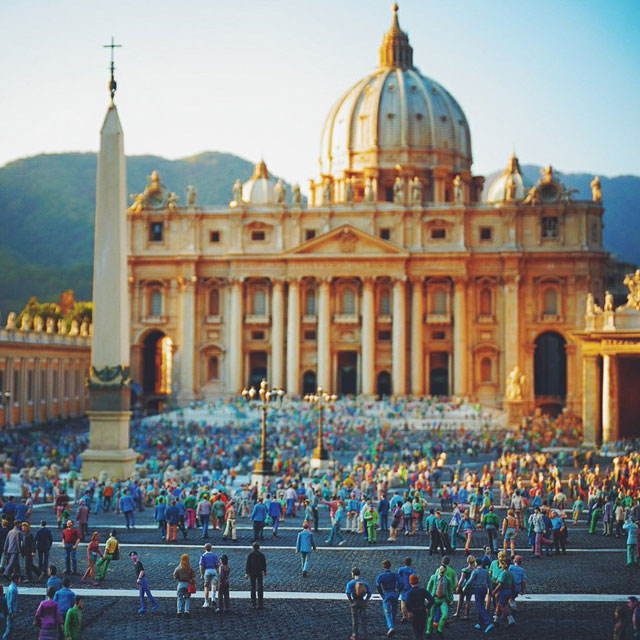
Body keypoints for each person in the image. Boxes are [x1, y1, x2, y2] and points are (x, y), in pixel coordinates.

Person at [462, 557, 494, 633]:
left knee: (480, 605)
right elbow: (489, 582)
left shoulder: (475, 571)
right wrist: (491, 590)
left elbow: (470, 580)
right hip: (484, 589)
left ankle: (488, 622)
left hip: (478, 589)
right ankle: (480, 622)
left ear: (476, 563)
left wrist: (465, 586)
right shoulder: (486, 572)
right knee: (481, 604)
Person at [404, 574, 434, 640]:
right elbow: (431, 599)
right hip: (422, 611)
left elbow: (407, 602)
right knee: (421, 629)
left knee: (416, 630)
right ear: (418, 581)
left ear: (410, 582)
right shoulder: (423, 591)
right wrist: (427, 607)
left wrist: (409, 611)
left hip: (414, 612)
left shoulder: (409, 592)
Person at [375, 559, 401, 637]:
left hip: (386, 593)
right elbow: (401, 582)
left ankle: (391, 626)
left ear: (383, 566)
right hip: (394, 593)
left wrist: (381, 594)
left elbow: (378, 585)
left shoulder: (381, 576)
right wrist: (398, 591)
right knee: (394, 610)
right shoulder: (395, 575)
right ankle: (393, 624)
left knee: (387, 611)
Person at [345, 567, 371, 640]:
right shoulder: (364, 583)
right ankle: (364, 635)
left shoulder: (350, 583)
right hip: (362, 601)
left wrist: (351, 601)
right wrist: (366, 600)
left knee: (354, 619)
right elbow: (369, 593)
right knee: (363, 619)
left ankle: (354, 635)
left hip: (355, 601)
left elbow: (347, 593)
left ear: (352, 574)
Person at [426, 565, 452, 636]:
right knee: (431, 616)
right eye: (440, 570)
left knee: (445, 614)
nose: (441, 572)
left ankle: (439, 628)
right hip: (434, 599)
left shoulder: (448, 579)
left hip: (443, 599)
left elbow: (450, 590)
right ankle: (428, 630)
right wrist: (427, 597)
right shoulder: (433, 577)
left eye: (443, 570)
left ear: (445, 571)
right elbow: (428, 587)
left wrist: (451, 598)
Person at [492, 558, 516, 627]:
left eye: (502, 564)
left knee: (503, 606)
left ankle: (511, 620)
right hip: (509, 590)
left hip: (503, 591)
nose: (501, 565)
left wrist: (494, 591)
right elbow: (513, 584)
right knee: (499, 605)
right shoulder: (510, 574)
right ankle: (496, 620)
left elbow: (500, 584)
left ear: (505, 565)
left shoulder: (503, 574)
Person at [245, 542, 267, 610]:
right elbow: (264, 564)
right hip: (259, 572)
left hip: (252, 572)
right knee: (260, 587)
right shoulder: (261, 555)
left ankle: (253, 603)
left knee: (253, 587)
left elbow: (248, 564)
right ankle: (260, 604)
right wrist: (265, 571)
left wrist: (247, 573)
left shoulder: (250, 555)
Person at [198, 543, 220, 608]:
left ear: (205, 548)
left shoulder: (203, 556)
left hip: (207, 571)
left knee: (206, 587)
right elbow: (217, 564)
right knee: (214, 585)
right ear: (211, 548)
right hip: (213, 570)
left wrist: (202, 574)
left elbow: (201, 566)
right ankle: (213, 598)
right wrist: (216, 569)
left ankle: (206, 602)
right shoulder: (214, 555)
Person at [397, 557, 417, 624]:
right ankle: (410, 615)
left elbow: (398, 578)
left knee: (403, 602)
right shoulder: (412, 571)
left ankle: (404, 617)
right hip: (410, 588)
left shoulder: (400, 570)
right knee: (410, 602)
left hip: (403, 588)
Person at [2, 574, 19, 640]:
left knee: (10, 627)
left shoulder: (10, 587)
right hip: (10, 612)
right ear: (15, 579)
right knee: (10, 628)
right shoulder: (13, 589)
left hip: (8, 610)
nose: (20, 581)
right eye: (19, 579)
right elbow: (11, 602)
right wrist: (12, 612)